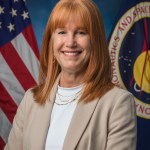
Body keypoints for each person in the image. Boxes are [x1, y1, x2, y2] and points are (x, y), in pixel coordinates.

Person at [5, 0, 137, 150]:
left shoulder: (117, 103)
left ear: (96, 41)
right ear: (51, 41)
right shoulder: (31, 100)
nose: (70, 42)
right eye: (62, 32)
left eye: (81, 32)